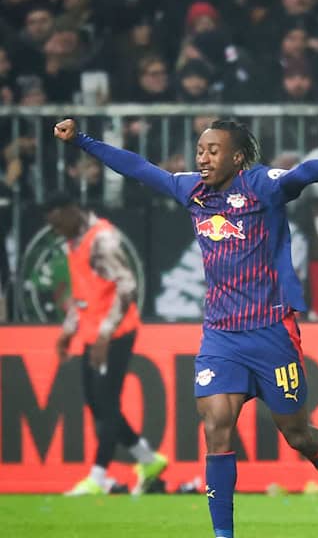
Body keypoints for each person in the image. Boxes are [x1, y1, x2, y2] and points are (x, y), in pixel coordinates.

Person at [53, 118, 318, 538]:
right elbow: (138, 168)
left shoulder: (260, 185)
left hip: (272, 329)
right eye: (200, 150)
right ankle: (223, 535)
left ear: (237, 158)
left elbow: (298, 176)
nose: (203, 158)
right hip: (220, 333)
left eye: (213, 150)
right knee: (216, 424)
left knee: (297, 434)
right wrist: (83, 141)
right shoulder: (192, 190)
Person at [44, 192, 167, 496]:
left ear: (72, 211)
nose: (58, 231)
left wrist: (105, 334)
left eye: (59, 224)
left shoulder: (103, 240)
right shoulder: (74, 241)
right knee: (97, 404)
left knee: (107, 404)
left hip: (116, 332)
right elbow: (85, 294)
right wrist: (68, 331)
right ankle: (148, 460)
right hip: (92, 332)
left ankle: (98, 477)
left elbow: (127, 286)